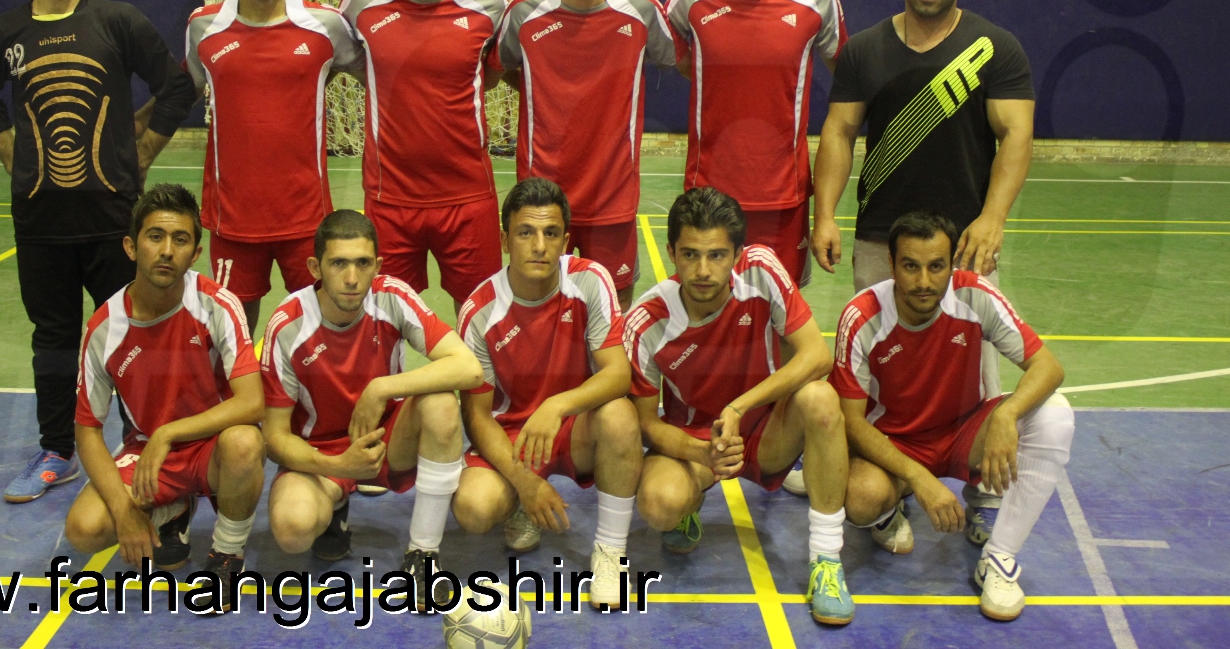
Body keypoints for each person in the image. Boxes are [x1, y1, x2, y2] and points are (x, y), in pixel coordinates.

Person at [0, 0, 195, 504]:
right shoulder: (2, 34)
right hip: (40, 219)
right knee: (54, 337)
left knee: (135, 333)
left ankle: (145, 443)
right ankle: (56, 452)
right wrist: (9, 151)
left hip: (114, 217)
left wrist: (144, 150)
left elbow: (177, 86)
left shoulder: (118, 22)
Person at [828, 212, 1073, 621]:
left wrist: (1006, 415)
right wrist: (919, 478)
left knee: (1055, 415)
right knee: (861, 497)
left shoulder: (975, 295)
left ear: (951, 263)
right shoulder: (863, 316)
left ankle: (999, 558)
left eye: (936, 266)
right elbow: (850, 422)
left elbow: (1048, 367)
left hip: (964, 434)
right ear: (891, 264)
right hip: (894, 442)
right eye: (911, 266)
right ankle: (889, 508)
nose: (924, 281)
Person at [626, 186, 854, 626]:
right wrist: (701, 452)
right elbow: (644, 424)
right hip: (697, 443)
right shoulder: (648, 320)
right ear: (671, 253)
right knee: (658, 504)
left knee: (821, 398)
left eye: (716, 255)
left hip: (767, 431)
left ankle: (827, 560)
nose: (703, 270)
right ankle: (688, 507)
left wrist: (739, 406)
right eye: (690, 255)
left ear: (736, 253)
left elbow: (816, 356)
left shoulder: (761, 270)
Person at [260, 209, 483, 611]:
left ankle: (423, 554)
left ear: (377, 265)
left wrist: (382, 388)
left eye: (363, 263)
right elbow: (274, 438)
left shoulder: (391, 297)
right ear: (315, 268)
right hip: (322, 455)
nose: (352, 277)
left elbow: (469, 368)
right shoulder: (288, 325)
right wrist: (339, 466)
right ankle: (335, 505)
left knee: (440, 403)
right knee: (292, 531)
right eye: (338, 263)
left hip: (386, 440)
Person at [64, 184, 265, 613]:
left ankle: (227, 554)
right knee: (84, 529)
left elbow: (252, 403)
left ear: (196, 254)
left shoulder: (216, 305)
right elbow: (88, 431)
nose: (167, 251)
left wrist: (168, 433)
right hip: (150, 455)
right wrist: (124, 510)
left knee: (245, 441)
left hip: (214, 447)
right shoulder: (105, 328)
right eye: (155, 237)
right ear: (131, 246)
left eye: (180, 239)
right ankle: (170, 509)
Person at [450, 178, 642, 611]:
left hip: (573, 426)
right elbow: (477, 417)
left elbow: (618, 375)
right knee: (473, 510)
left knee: (620, 416)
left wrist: (557, 406)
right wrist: (525, 481)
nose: (539, 246)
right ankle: (520, 502)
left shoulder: (590, 280)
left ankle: (611, 552)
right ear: (505, 241)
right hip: (512, 437)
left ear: (565, 240)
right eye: (526, 233)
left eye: (551, 233)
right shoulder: (479, 312)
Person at [811, 0, 1034, 293]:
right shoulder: (863, 50)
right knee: (882, 333)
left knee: (968, 333)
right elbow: (839, 132)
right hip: (880, 239)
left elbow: (1016, 133)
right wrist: (824, 217)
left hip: (966, 240)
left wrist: (993, 219)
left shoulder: (996, 47)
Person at [185, 0, 363, 336]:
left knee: (320, 331)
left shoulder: (325, 25)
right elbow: (189, 87)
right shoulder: (203, 27)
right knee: (233, 335)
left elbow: (368, 72)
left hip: (306, 218)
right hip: (232, 219)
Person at [495, 0, 677, 310]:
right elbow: (499, 67)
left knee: (614, 304)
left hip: (613, 195)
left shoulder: (640, 9)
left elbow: (675, 58)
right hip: (541, 199)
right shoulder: (524, 13)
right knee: (538, 301)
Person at [338, 0, 509, 315]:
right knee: (385, 321)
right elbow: (356, 65)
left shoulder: (489, 5)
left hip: (468, 199)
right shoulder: (361, 2)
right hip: (390, 198)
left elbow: (490, 74)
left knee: (482, 321)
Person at [665, 0, 846, 286]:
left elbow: (847, 77)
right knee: (707, 303)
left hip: (784, 198)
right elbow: (675, 55)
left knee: (781, 308)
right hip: (708, 194)